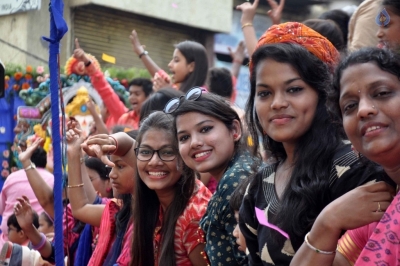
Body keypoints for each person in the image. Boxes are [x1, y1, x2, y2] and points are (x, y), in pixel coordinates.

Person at [239, 22, 391, 266]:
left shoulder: (356, 168)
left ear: (323, 95)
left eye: (294, 89)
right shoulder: (259, 183)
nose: (277, 103)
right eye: (264, 93)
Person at [290, 47, 400, 266]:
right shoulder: (379, 206)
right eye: (350, 106)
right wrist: (327, 222)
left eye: (382, 93)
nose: (364, 110)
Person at [166, 87, 256, 265]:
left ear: (235, 130)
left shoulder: (236, 181)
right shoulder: (235, 173)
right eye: (184, 137)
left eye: (205, 129)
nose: (195, 143)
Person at [131, 111, 211, 265]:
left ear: (184, 156)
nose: (154, 162)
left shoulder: (193, 219)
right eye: (146, 152)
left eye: (167, 152)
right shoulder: (155, 200)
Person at [68, 121, 136, 266]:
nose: (112, 175)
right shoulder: (118, 210)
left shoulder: (156, 210)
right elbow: (79, 209)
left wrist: (112, 141)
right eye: (110, 166)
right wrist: (74, 154)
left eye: (120, 166)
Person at [0, 144, 54, 246]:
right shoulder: (51, 179)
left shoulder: (11, 178)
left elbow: (1, 209)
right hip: (37, 239)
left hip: (11, 239)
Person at [73, 38, 128, 130]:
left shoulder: (120, 116)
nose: (100, 110)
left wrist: (87, 62)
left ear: (108, 109)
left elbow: (105, 90)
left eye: (101, 106)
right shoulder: (104, 124)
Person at [129, 30, 208, 92]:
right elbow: (161, 76)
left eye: (176, 60)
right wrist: (141, 53)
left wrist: (168, 93)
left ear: (191, 66)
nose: (169, 64)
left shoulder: (200, 95)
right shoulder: (179, 91)